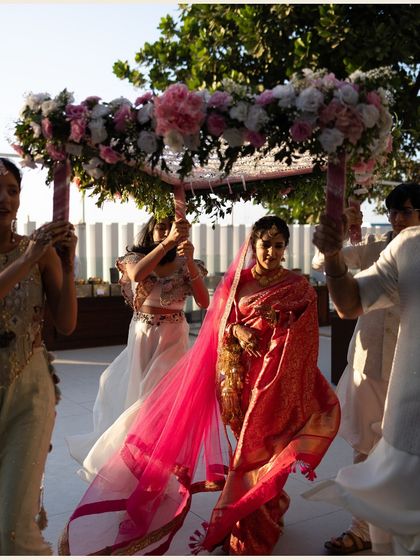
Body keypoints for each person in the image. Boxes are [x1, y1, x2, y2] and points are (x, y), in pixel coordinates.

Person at [60, 216, 340, 556]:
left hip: (277, 382)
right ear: (253, 246)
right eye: (265, 244)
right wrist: (238, 331)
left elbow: (305, 333)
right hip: (237, 379)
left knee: (259, 450)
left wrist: (277, 323)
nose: (271, 252)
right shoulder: (237, 280)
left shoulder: (298, 286)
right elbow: (220, 321)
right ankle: (259, 501)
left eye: (278, 245)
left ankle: (254, 523)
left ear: (286, 248)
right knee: (167, 420)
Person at [304, 194, 420, 555]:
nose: (399, 218)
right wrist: (334, 246)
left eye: (408, 210)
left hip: (410, 375)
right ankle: (361, 531)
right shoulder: (377, 247)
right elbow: (320, 264)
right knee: (365, 449)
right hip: (369, 367)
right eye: (394, 211)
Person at [66, 214, 209, 482]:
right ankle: (134, 457)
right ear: (152, 229)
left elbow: (203, 302)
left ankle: (151, 458)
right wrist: (167, 244)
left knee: (155, 400)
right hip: (142, 335)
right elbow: (137, 274)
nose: (166, 230)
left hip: (172, 337)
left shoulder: (188, 263)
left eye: (172, 226)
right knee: (129, 392)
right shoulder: (135, 257)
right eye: (161, 226)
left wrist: (188, 260)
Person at [0, 157, 77, 555]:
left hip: (29, 390)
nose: (4, 198)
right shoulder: (30, 254)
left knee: (14, 527)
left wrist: (67, 259)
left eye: (12, 190)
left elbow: (65, 324)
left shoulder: (37, 251)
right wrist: (26, 260)